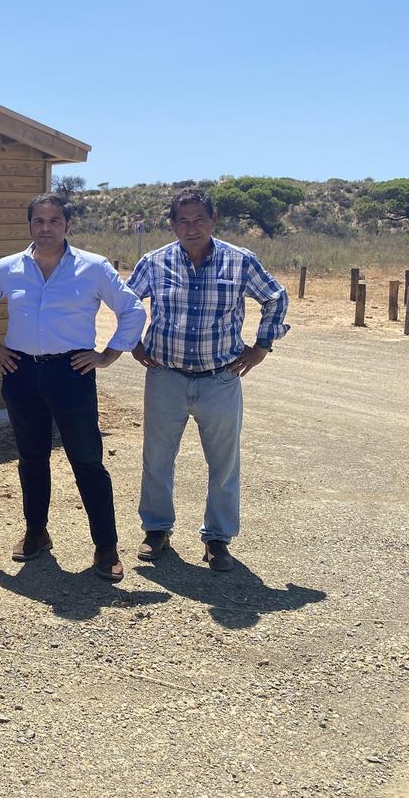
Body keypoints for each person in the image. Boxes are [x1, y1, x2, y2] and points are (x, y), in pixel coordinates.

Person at [0, 193, 145, 581]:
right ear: (29, 225)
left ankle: (106, 546)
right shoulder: (8, 268)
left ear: (68, 225)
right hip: (21, 373)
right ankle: (36, 532)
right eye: (38, 221)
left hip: (72, 373)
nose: (45, 228)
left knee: (87, 461)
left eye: (54, 221)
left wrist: (109, 354)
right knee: (31, 459)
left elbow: (132, 310)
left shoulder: (93, 268)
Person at [126, 188, 289, 572]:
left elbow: (275, 298)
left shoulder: (240, 261)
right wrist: (131, 342)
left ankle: (217, 538)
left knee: (223, 462)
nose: (191, 227)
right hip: (165, 376)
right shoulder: (154, 262)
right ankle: (157, 530)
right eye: (182, 220)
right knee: (157, 458)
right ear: (172, 224)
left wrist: (262, 345)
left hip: (221, 379)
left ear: (213, 221)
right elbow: (126, 302)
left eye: (199, 219)